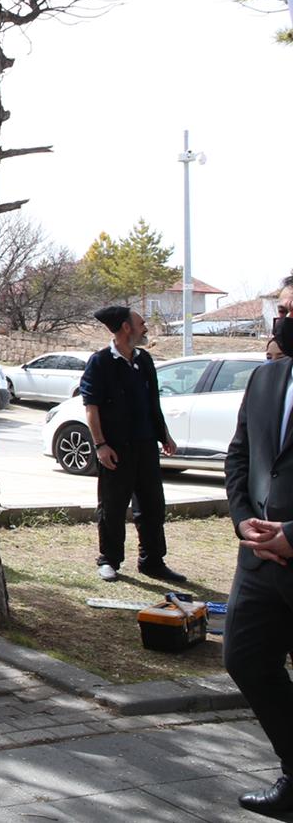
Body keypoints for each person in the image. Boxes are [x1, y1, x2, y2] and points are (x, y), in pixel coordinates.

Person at [223, 272, 293, 817]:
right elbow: (240, 457)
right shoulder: (266, 379)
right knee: (245, 659)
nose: (283, 320)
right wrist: (244, 520)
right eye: (283, 310)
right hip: (258, 559)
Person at [80, 305, 185, 584]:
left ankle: (152, 561)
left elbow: (153, 402)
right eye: (141, 322)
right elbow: (92, 407)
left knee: (152, 505)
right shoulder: (100, 362)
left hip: (146, 445)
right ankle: (109, 560)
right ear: (126, 327)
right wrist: (100, 445)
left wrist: (164, 435)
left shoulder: (145, 360)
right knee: (113, 507)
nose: (145, 327)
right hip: (115, 449)